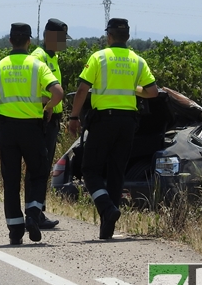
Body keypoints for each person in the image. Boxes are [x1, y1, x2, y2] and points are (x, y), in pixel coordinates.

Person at [67, 18, 158, 240]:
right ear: (127, 36)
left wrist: (73, 116)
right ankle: (107, 228)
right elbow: (152, 92)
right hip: (127, 124)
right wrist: (131, 89)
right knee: (117, 172)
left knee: (90, 170)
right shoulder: (137, 60)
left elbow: (82, 90)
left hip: (103, 122)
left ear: (109, 36)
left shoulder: (99, 58)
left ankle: (107, 207)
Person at [0, 23, 64, 245]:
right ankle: (33, 214)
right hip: (32, 129)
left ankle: (15, 230)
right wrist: (47, 108)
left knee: (11, 180)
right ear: (29, 41)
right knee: (37, 173)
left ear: (10, 41)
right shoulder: (37, 65)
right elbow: (58, 92)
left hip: (7, 130)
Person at [28, 18, 70, 229]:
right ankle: (36, 212)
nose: (63, 43)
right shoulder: (39, 57)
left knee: (44, 168)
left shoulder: (52, 57)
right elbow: (32, 91)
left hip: (51, 119)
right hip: (43, 118)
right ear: (47, 36)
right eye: (59, 38)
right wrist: (49, 104)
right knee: (39, 167)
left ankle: (38, 211)